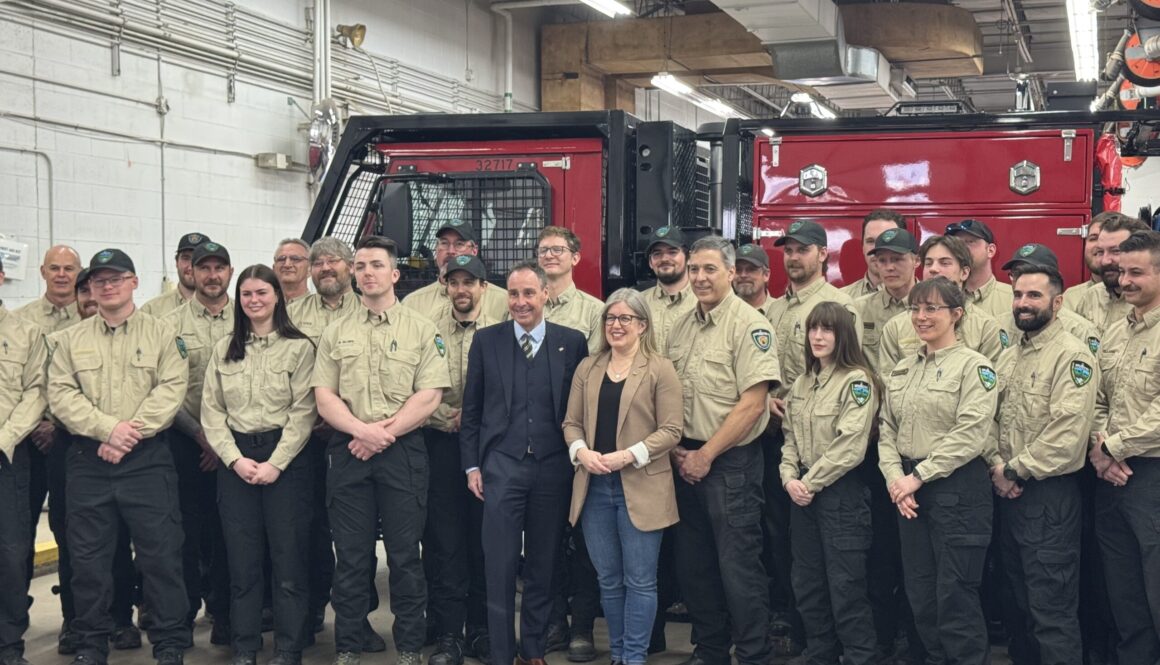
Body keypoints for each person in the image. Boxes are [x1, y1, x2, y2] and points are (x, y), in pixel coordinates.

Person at [47, 248, 191, 665]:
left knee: (160, 557)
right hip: (88, 463)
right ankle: (92, 644)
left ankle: (168, 644)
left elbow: (170, 389)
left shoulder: (163, 334)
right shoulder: (68, 341)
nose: (107, 286)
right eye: (98, 281)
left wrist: (128, 434)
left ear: (133, 282)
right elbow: (61, 395)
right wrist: (108, 430)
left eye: (116, 278)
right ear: (89, 289)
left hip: (147, 462)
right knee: (88, 562)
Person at [312, 235, 450, 665]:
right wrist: (360, 431)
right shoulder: (336, 332)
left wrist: (381, 434)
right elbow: (324, 395)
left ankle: (408, 646)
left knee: (406, 555)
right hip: (349, 449)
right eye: (361, 266)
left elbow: (429, 395)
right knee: (351, 557)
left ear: (394, 274)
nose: (367, 272)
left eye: (376, 265)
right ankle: (349, 645)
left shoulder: (422, 330)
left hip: (403, 451)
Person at [459, 260, 588, 665]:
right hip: (501, 468)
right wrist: (472, 466)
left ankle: (532, 651)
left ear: (545, 295)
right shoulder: (487, 341)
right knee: (498, 566)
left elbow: (578, 409)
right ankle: (501, 654)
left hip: (553, 469)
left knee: (543, 566)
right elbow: (472, 411)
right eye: (513, 294)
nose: (520, 302)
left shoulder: (573, 341)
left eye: (529, 293)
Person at [665, 236, 782, 665]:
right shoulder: (680, 324)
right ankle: (710, 650)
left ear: (732, 273)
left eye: (710, 269)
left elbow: (753, 404)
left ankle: (754, 653)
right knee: (694, 567)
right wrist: (679, 448)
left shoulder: (750, 326)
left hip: (729, 463)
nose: (699, 277)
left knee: (739, 568)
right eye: (694, 269)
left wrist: (706, 454)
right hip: (683, 459)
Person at [201, 264, 317, 665]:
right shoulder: (224, 348)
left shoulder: (299, 347)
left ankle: (288, 648)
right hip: (237, 462)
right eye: (247, 294)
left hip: (285, 461)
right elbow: (212, 413)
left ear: (277, 297)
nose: (254, 301)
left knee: (288, 562)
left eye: (262, 293)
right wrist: (235, 461)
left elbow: (304, 413)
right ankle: (245, 647)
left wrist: (276, 464)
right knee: (242, 564)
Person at [878, 276, 997, 665]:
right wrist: (897, 478)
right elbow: (886, 429)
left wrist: (918, 476)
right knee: (922, 596)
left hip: (956, 491)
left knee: (955, 597)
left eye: (932, 308)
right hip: (909, 492)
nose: (921, 316)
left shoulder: (974, 367)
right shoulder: (903, 369)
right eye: (915, 308)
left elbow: (971, 434)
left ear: (956, 314)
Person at [562, 288, 683, 665]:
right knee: (608, 582)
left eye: (625, 319)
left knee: (641, 582)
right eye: (611, 318)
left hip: (642, 485)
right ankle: (618, 655)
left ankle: (633, 657)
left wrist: (628, 456)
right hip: (594, 487)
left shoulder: (660, 368)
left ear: (642, 325)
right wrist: (581, 451)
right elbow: (571, 423)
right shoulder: (588, 367)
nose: (616, 325)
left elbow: (672, 429)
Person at [987, 262, 1097, 665]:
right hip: (1008, 493)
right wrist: (998, 467)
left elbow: (1067, 435)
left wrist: (1013, 470)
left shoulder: (1072, 356)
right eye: (1017, 294)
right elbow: (989, 419)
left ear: (1058, 301)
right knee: (1017, 603)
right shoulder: (1010, 355)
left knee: (1051, 609)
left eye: (1034, 295)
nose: (1023, 303)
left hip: (1048, 499)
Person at [46, 269, 141, 655]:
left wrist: (117, 435)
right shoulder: (63, 341)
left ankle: (120, 619)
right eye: (84, 292)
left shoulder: (130, 336)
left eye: (95, 289)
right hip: (72, 449)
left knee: (120, 544)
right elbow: (54, 391)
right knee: (75, 545)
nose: (91, 297)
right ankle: (78, 622)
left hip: (126, 447)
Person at [779, 302, 878, 665]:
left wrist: (810, 482)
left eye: (827, 330)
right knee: (807, 583)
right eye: (813, 329)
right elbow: (789, 439)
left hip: (841, 495)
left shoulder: (857, 381)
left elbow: (850, 446)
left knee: (846, 585)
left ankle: (859, 656)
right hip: (802, 495)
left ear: (843, 336)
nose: (818, 337)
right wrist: (789, 479)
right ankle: (820, 652)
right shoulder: (803, 383)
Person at [421, 255, 499, 665]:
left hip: (487, 447)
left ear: (484, 288)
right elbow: (415, 383)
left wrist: (472, 420)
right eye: (455, 282)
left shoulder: (502, 331)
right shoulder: (426, 328)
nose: (462, 289)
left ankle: (482, 631)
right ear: (445, 286)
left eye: (470, 282)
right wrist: (443, 416)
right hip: (440, 443)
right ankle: (450, 634)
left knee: (485, 542)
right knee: (444, 542)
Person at [1089, 229, 1160, 664]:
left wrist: (1111, 445)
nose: (1125, 280)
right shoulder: (1116, 331)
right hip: (1111, 477)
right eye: (1121, 272)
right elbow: (1098, 399)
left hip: (1152, 476)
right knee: (1124, 591)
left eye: (1137, 272)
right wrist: (1101, 449)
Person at [286, 236, 362, 637]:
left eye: (334, 261)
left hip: (354, 438)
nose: (325, 268)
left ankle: (359, 620)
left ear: (350, 266)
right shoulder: (291, 314)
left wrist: (344, 421)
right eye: (318, 263)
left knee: (355, 536)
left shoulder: (368, 309)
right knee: (305, 530)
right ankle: (310, 611)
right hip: (302, 439)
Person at [168, 241, 236, 644]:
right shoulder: (169, 325)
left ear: (230, 272)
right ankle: (182, 617)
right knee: (183, 538)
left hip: (235, 449)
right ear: (191, 272)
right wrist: (201, 436)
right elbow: (166, 391)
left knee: (231, 536)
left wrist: (222, 441)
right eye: (203, 268)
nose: (212, 275)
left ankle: (225, 615)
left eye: (219, 268)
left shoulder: (249, 319)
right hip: (184, 444)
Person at [13, 244, 82, 608]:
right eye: (54, 268)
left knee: (71, 532)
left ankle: (73, 619)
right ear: (42, 272)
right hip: (26, 442)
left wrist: (57, 423)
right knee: (18, 531)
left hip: (71, 442)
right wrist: (36, 422)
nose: (61, 275)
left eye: (69, 269)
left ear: (77, 273)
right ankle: (14, 608)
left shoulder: (90, 319)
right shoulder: (20, 321)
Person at [0, 256, 50, 665]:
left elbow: (36, 392)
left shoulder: (25, 333)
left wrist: (3, 440)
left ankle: (8, 643)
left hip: (8, 458)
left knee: (12, 555)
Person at [878, 234, 1004, 371]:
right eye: (928, 263)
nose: (933, 269)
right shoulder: (896, 327)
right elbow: (887, 383)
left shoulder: (987, 329)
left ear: (964, 273)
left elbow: (991, 384)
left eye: (944, 263)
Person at [1000, 244, 1101, 352]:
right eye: (1016, 273)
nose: (1023, 279)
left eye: (1032, 273)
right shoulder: (1000, 324)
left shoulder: (1080, 330)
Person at [401, 220, 507, 322]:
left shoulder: (502, 301)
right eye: (444, 243)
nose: (451, 251)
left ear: (474, 251)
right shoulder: (412, 304)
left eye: (459, 244)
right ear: (436, 250)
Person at [854, 228, 919, 375]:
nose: (889, 267)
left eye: (897, 259)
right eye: (882, 260)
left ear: (916, 261)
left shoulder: (932, 309)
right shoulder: (859, 309)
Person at [1073, 213, 1150, 329]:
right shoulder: (1092, 296)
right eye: (1100, 252)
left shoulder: (1150, 300)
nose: (1104, 261)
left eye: (1116, 251)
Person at [538, 226, 605, 354]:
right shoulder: (524, 306)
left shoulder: (595, 311)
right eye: (543, 250)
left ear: (575, 258)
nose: (548, 255)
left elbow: (593, 365)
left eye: (557, 250)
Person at [945, 219, 1014, 321]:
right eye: (957, 244)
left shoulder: (1012, 299)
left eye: (970, 242)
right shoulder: (944, 298)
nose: (962, 248)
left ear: (990, 250)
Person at [639, 226, 695, 353]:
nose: (664, 259)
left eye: (672, 252)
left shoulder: (704, 303)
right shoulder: (638, 303)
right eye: (657, 254)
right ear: (650, 262)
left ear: (689, 258)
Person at [140, 232, 212, 316]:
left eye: (199, 259)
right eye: (186, 258)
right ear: (177, 262)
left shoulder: (227, 311)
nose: (191, 267)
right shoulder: (151, 311)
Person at [842, 209, 906, 299]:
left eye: (885, 240)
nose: (876, 249)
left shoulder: (921, 299)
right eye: (870, 241)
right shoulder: (841, 299)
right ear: (863, 247)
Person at [1062, 213, 1110, 308]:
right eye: (1093, 238)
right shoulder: (1070, 299)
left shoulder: (1138, 299)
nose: (1099, 245)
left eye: (1109, 238)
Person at [274, 239, 312, 303]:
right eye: (281, 259)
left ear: (310, 269)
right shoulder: (263, 307)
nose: (287, 264)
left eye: (295, 259)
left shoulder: (322, 309)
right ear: (274, 269)